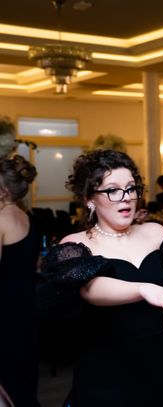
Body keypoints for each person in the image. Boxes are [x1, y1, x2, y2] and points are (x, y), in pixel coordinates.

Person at [41, 149, 163, 407]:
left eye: (131, 188)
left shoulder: (155, 232)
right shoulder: (75, 244)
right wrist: (145, 289)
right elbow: (91, 288)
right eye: (113, 190)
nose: (126, 197)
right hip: (106, 373)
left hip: (161, 364)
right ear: (89, 199)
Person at [0, 155, 39, 407]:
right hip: (27, 308)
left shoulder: (0, 220)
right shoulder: (26, 217)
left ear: (3, 191)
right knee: (23, 383)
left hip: (4, 313)